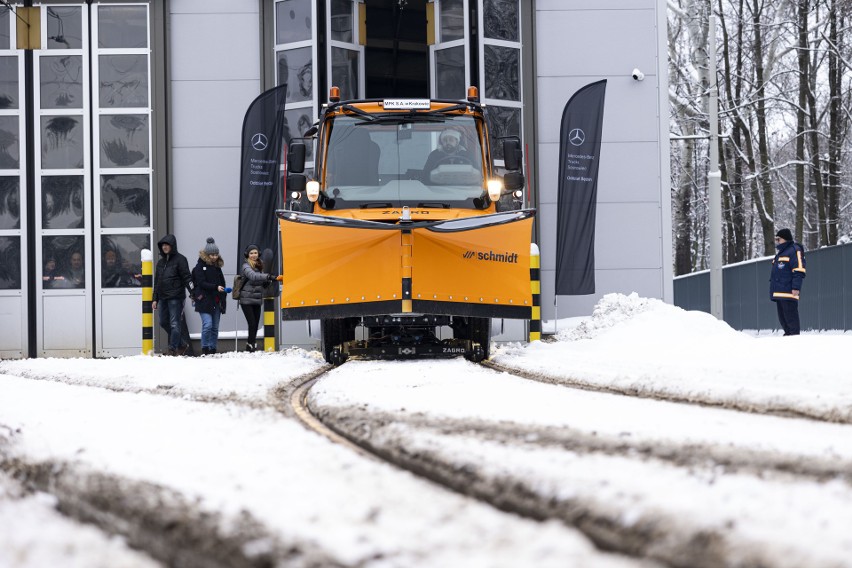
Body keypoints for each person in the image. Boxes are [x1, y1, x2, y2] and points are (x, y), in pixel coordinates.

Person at [152, 234, 193, 355]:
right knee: (163, 322)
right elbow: (157, 281)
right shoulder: (160, 262)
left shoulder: (181, 259)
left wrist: (193, 293)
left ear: (172, 246)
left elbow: (187, 277)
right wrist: (155, 299)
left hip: (176, 297)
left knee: (175, 323)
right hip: (163, 297)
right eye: (163, 245)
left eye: (167, 245)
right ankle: (181, 344)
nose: (164, 247)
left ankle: (172, 348)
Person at [239, 244, 280, 353]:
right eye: (251, 253)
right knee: (252, 323)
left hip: (257, 299)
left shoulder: (260, 265)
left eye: (255, 253)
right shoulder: (246, 266)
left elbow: (260, 281)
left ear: (259, 254)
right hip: (246, 299)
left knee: (255, 324)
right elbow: (253, 276)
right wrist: (267, 276)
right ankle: (251, 344)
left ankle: (250, 344)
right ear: (247, 254)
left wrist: (267, 282)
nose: (253, 255)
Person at [192, 237, 227, 355]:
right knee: (207, 325)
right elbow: (201, 283)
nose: (214, 257)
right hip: (204, 301)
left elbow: (222, 282)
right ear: (206, 254)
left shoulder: (217, 267)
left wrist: (224, 291)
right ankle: (205, 348)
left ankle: (213, 349)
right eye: (211, 255)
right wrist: (216, 287)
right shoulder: (199, 267)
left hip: (216, 300)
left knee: (215, 327)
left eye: (216, 254)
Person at [770, 228, 807, 336]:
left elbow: (799, 270)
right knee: (783, 319)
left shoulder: (794, 250)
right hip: (779, 292)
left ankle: (794, 338)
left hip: (789, 292)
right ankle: (788, 338)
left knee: (791, 319)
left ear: (785, 239)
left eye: (779, 239)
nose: (777, 241)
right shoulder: (780, 253)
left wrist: (796, 288)